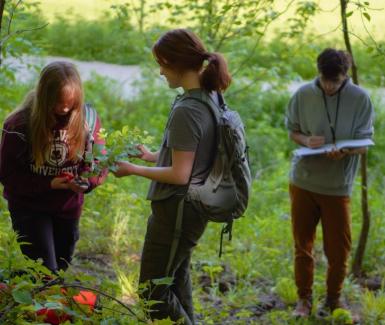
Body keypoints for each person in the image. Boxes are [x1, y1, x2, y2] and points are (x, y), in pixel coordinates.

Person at [113, 29, 231, 324]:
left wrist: (133, 170)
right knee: (175, 280)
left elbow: (180, 174)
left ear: (173, 62)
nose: (160, 71)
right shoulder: (209, 97)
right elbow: (195, 154)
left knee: (153, 291)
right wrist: (152, 155)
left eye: (162, 63)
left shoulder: (189, 109)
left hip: (177, 210)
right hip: (192, 207)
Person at [286, 48, 374, 318]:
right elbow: (293, 131)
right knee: (303, 246)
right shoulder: (303, 94)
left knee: (338, 250)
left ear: (345, 76)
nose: (328, 86)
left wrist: (346, 151)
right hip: (303, 182)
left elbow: (364, 143)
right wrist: (306, 140)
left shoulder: (361, 99)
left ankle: (334, 299)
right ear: (319, 73)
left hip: (337, 187)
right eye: (325, 80)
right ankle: (304, 300)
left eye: (334, 82)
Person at [0, 61, 107, 273]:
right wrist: (49, 183)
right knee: (45, 273)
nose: (64, 109)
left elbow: (98, 163)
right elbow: (7, 174)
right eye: (58, 103)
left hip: (67, 209)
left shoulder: (88, 119)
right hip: (30, 207)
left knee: (60, 267)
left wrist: (86, 182)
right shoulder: (19, 125)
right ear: (44, 97)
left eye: (71, 104)